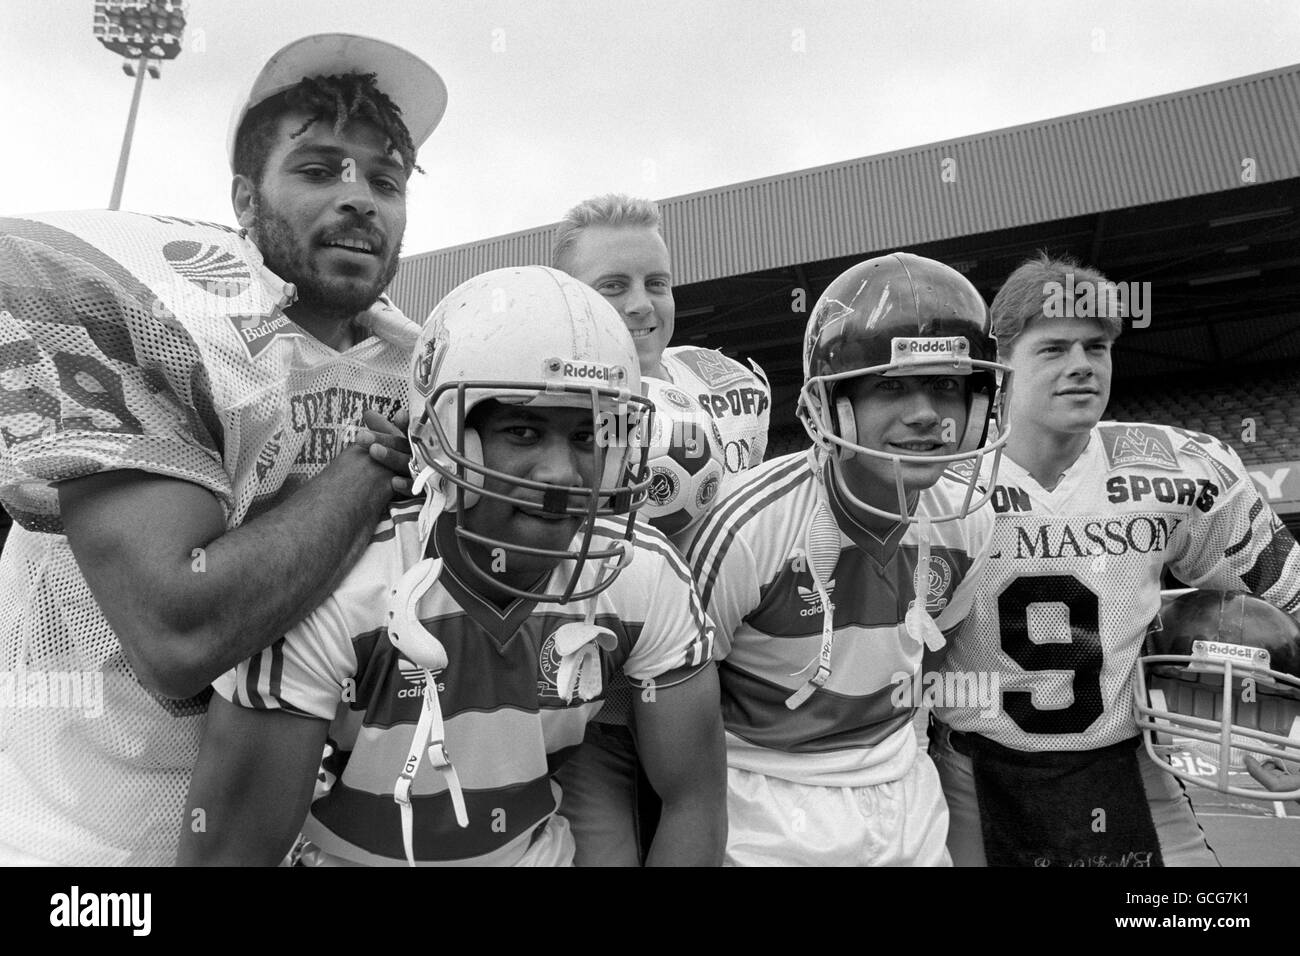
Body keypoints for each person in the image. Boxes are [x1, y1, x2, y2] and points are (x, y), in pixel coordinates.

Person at [0, 33, 446, 865]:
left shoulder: (423, 370)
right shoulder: (175, 316)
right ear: (245, 199)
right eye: (317, 170)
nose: (360, 201)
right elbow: (177, 633)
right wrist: (366, 472)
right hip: (79, 833)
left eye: (384, 181)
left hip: (294, 826)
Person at [178, 266, 727, 867]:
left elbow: (692, 801)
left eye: (588, 436)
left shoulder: (643, 576)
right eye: (522, 430)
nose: (562, 474)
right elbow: (227, 855)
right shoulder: (338, 588)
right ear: (447, 439)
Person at [929, 253, 1300, 867]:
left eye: (1096, 348)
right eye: (1053, 349)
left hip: (1130, 765)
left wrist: (1283, 722)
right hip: (974, 772)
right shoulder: (938, 483)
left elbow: (1288, 589)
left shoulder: (1174, 468)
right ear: (1000, 369)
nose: (1081, 366)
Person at [687, 252, 1012, 865]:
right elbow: (681, 710)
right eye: (891, 386)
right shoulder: (747, 527)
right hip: (765, 798)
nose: (926, 415)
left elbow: (924, 675)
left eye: (946, 385)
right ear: (829, 406)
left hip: (906, 791)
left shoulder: (969, 516)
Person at [550, 193, 770, 864]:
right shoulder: (533, 396)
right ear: (567, 299)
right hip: (588, 713)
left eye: (657, 283)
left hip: (707, 704)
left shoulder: (730, 393)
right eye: (612, 286)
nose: (642, 304)